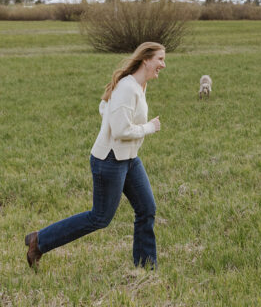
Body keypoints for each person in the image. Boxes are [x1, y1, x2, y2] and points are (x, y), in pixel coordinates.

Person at [25, 41, 166, 270]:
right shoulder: (127, 88)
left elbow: (104, 107)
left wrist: (111, 118)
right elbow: (120, 130)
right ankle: (39, 241)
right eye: (160, 59)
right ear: (145, 59)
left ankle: (145, 266)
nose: (163, 64)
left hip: (129, 158)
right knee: (99, 218)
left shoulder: (139, 86)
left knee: (147, 208)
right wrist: (149, 127)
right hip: (109, 161)